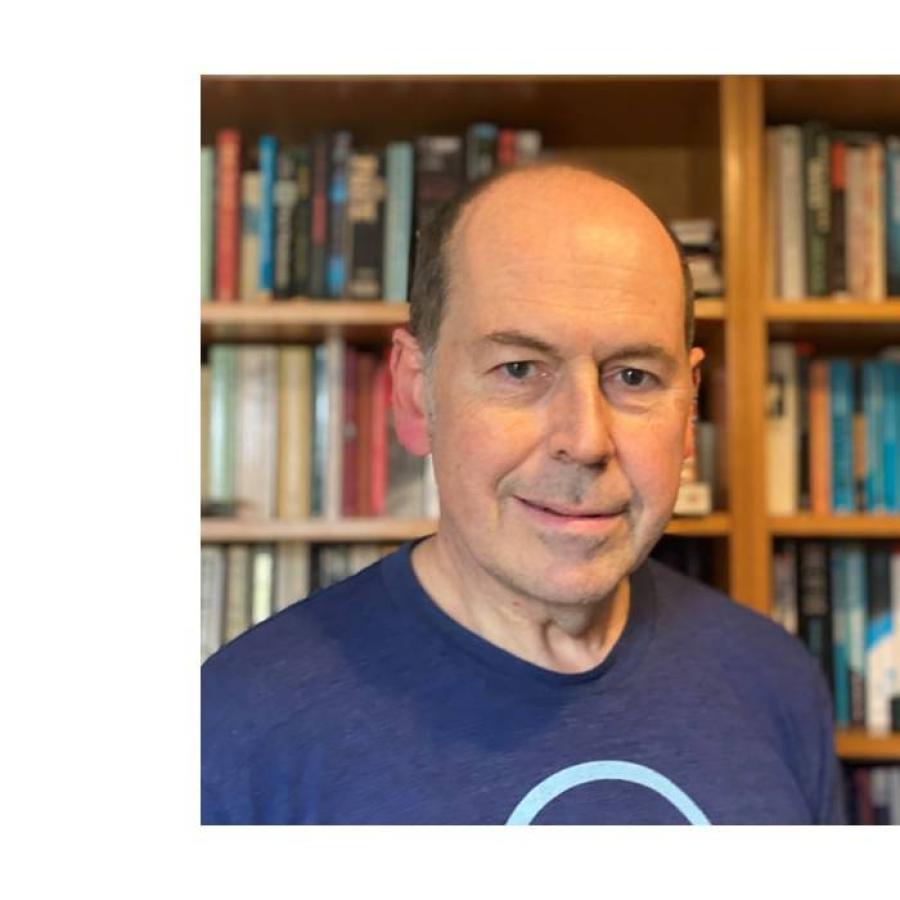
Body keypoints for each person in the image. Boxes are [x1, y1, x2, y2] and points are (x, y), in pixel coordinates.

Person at [201, 163, 844, 825]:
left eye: (634, 376)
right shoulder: (234, 728)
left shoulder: (775, 681)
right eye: (518, 369)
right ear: (415, 393)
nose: (586, 440)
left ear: (690, 409)